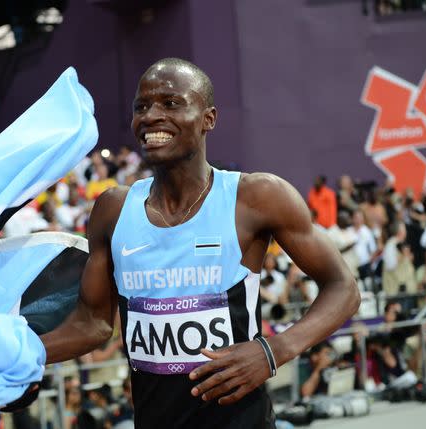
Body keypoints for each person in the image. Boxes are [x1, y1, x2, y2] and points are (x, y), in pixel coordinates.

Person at [40, 58, 359, 429]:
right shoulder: (112, 209)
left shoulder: (255, 197)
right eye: (141, 106)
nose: (151, 116)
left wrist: (273, 351)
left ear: (209, 118)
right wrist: (23, 357)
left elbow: (344, 288)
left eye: (171, 103)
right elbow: (92, 324)